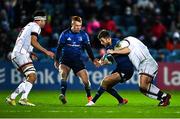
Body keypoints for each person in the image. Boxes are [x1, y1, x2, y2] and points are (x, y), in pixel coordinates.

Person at [99, 29, 171, 106]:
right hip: (145, 64)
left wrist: (112, 52)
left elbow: (127, 50)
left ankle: (164, 96)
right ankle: (163, 99)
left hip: (146, 62)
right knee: (142, 89)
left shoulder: (123, 43)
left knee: (143, 85)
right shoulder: (131, 40)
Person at [6, 10, 55, 106]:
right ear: (40, 20)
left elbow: (25, 41)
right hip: (21, 54)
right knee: (32, 76)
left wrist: (31, 52)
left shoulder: (28, 25)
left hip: (16, 54)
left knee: (29, 77)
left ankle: (12, 97)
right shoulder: (36, 27)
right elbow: (33, 41)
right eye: (44, 21)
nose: (45, 23)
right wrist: (46, 52)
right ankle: (23, 99)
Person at [54, 16, 100, 104]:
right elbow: (59, 48)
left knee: (86, 82)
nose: (78, 27)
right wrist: (56, 60)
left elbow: (88, 48)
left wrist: (93, 59)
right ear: (72, 24)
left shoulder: (83, 35)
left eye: (80, 25)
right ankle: (62, 95)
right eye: (76, 26)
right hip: (65, 60)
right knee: (63, 74)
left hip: (77, 61)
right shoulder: (65, 34)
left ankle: (89, 96)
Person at [86, 30, 134, 106]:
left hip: (126, 69)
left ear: (108, 38)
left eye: (102, 41)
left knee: (105, 81)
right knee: (107, 86)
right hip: (120, 68)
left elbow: (128, 50)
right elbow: (111, 61)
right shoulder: (108, 47)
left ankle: (92, 102)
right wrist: (102, 63)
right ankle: (121, 100)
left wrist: (114, 51)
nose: (101, 43)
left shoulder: (117, 42)